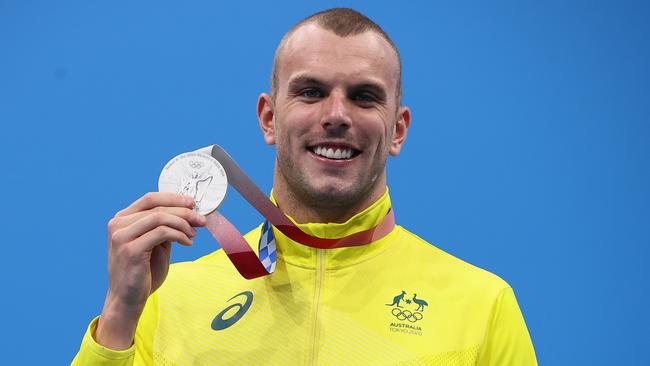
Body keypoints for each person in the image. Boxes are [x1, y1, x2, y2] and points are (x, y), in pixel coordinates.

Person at [72, 8, 537, 365]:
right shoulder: (168, 300)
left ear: (398, 129)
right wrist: (118, 313)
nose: (336, 114)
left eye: (364, 96)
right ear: (269, 118)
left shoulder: (481, 305)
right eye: (311, 91)